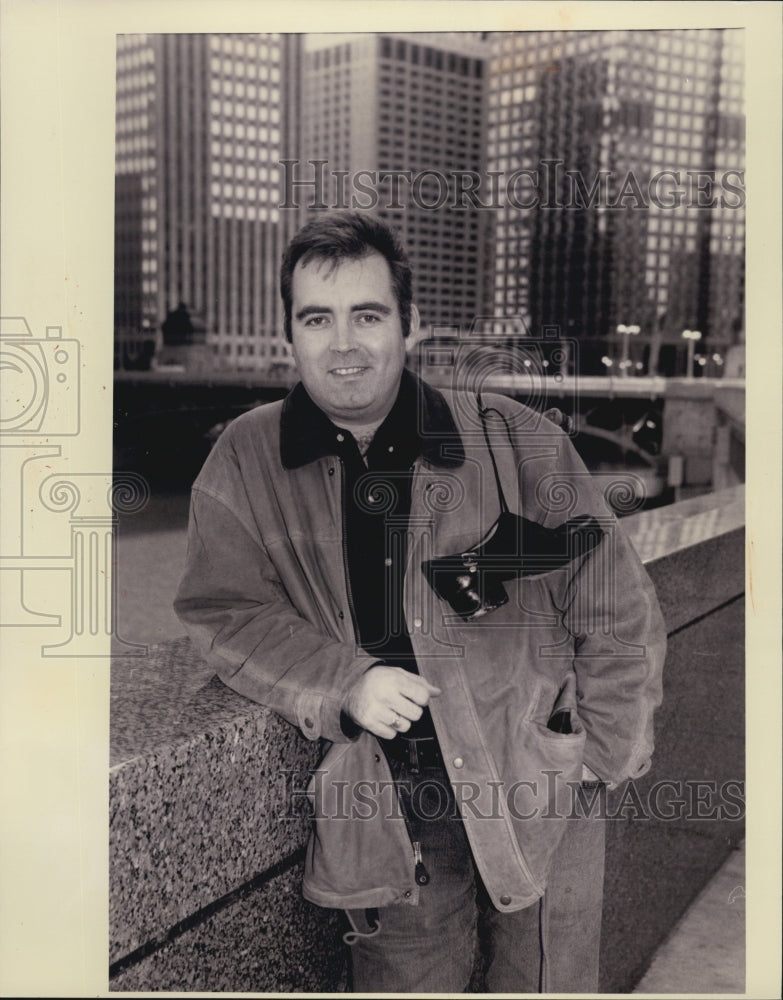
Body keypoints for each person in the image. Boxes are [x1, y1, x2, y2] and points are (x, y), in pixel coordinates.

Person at [174, 210, 666, 993]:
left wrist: (600, 757)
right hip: (391, 809)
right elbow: (224, 610)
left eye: (368, 315)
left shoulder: (515, 439)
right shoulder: (244, 456)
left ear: (410, 327)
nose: (342, 343)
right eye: (316, 319)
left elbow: (611, 595)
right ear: (288, 336)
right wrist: (344, 680)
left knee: (547, 982)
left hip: (535, 778)